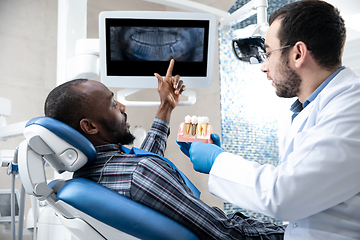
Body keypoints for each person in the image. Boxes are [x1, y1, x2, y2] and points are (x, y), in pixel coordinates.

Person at [178, 0, 360, 239]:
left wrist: (218, 161)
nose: (264, 66)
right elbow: (293, 182)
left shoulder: (351, 108)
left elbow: (285, 195)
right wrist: (220, 161)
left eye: (268, 52)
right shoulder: (313, 108)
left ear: (298, 54)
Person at [44, 60, 285, 240]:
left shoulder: (90, 176)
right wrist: (288, 233)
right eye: (112, 103)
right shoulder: (140, 172)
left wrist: (165, 108)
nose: (122, 105)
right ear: (90, 126)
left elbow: (144, 174)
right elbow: (225, 234)